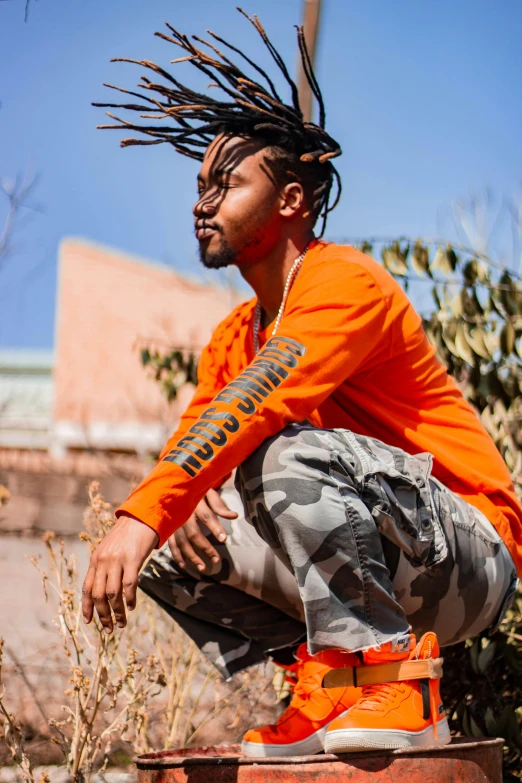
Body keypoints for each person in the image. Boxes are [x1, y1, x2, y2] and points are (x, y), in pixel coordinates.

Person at [83, 11, 521, 757]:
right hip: (388, 554)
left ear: (290, 201)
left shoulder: (344, 283)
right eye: (199, 186)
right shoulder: (232, 338)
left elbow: (258, 402)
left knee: (278, 454)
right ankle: (323, 682)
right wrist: (168, 511)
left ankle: (395, 681)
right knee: (169, 545)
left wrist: (147, 509)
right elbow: (203, 435)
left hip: (469, 555)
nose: (203, 202)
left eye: (226, 183)